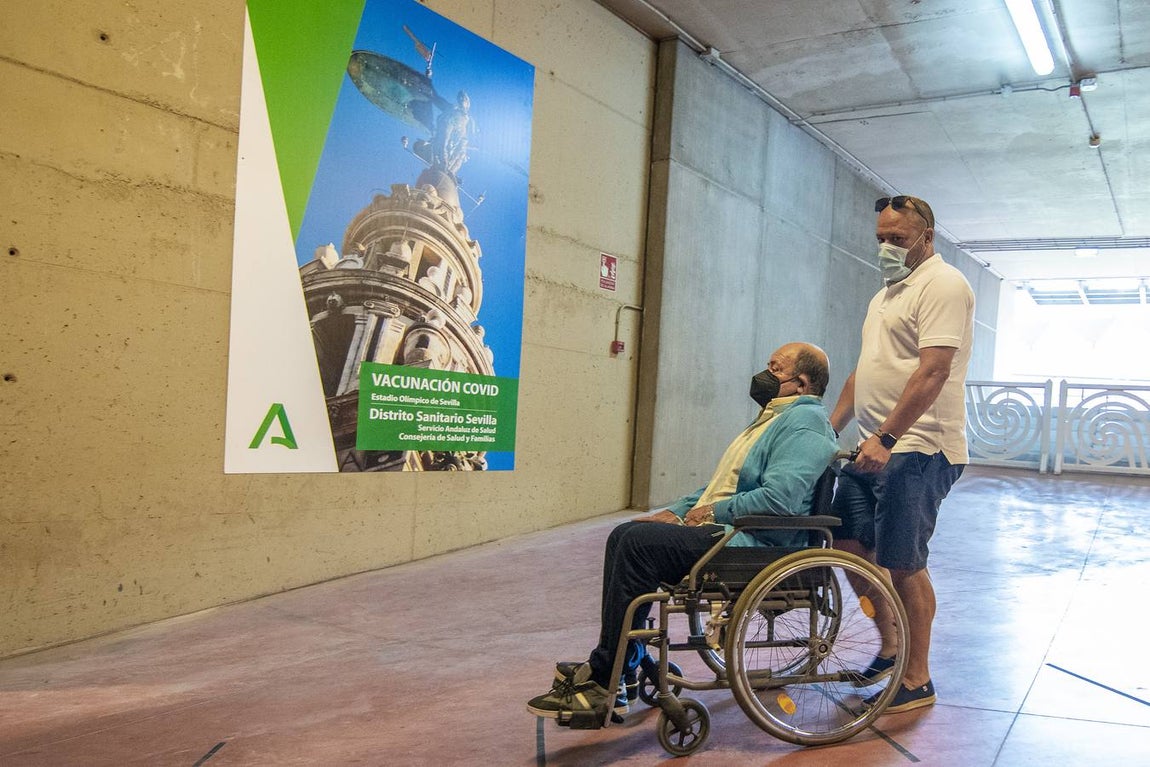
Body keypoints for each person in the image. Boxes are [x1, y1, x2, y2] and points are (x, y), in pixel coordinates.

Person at [527, 342, 839, 723]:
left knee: (638, 547)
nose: (764, 375)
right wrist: (675, 512)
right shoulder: (773, 418)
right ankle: (619, 667)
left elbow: (780, 499)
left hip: (754, 542)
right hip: (730, 530)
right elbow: (721, 487)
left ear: (802, 384)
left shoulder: (805, 423)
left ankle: (607, 677)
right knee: (626, 534)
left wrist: (714, 512)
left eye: (775, 369)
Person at [829, 194, 974, 713]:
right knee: (848, 542)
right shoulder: (885, 295)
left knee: (903, 562)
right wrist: (828, 430)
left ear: (926, 237)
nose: (886, 247)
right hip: (871, 449)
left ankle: (917, 679)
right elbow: (863, 370)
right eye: (881, 238)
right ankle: (890, 649)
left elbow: (933, 370)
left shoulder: (944, 285)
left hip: (918, 448)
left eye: (898, 238)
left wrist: (887, 438)